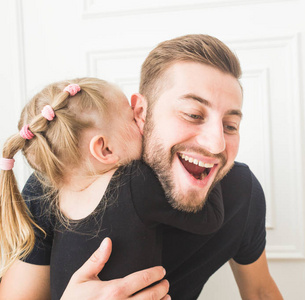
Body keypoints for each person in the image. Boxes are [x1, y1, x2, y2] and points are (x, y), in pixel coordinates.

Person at [5, 34, 283, 299]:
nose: (216, 145)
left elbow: (260, 292)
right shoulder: (62, 178)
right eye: (193, 114)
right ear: (140, 113)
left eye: (230, 126)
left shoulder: (241, 191)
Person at [0, 77, 225, 299]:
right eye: (132, 117)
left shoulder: (53, 195)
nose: (142, 120)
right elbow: (211, 218)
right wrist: (203, 158)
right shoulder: (135, 182)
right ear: (105, 149)